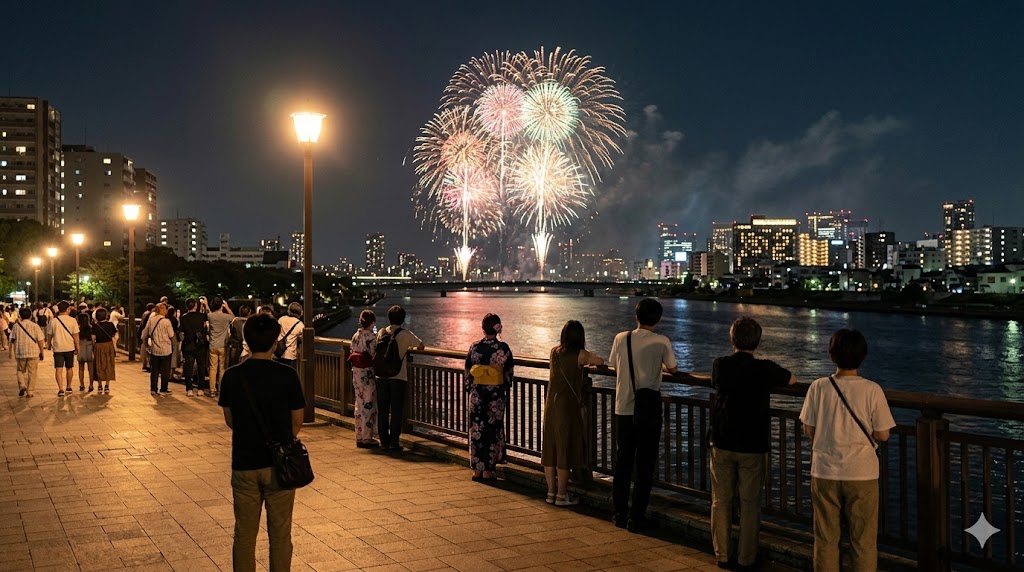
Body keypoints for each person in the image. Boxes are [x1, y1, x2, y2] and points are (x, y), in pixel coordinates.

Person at [800, 329, 895, 572]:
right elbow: (883, 434)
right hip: (861, 474)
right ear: (862, 356)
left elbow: (808, 428)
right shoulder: (872, 390)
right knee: (862, 541)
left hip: (824, 472)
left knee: (825, 539)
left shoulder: (818, 387)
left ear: (832, 355)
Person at [218, 313, 305, 572]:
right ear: (274, 341)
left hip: (244, 462)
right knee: (280, 535)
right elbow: (297, 421)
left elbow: (230, 420)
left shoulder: (232, 376)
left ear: (246, 339)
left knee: (244, 534)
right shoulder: (287, 375)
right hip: (279, 466)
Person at [709, 317, 796, 569]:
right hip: (752, 443)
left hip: (722, 439)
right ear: (757, 341)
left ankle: (722, 555)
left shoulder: (720, 365)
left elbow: (715, 384)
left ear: (732, 339)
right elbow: (791, 379)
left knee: (720, 501)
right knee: (749, 504)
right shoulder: (764, 368)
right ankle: (747, 558)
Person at [608, 298, 677, 532]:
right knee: (645, 465)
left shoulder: (620, 338)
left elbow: (614, 366)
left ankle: (619, 513)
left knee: (623, 462)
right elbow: (673, 368)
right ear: (658, 319)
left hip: (623, 408)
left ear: (636, 316)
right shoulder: (661, 341)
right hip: (648, 411)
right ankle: (636, 518)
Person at [543, 320, 604, 505]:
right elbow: (600, 361)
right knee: (564, 448)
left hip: (551, 406)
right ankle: (562, 495)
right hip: (567, 407)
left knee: (550, 448)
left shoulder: (554, 352)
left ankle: (550, 493)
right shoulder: (580, 355)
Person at [465, 314, 514, 481]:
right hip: (495, 397)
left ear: (482, 328)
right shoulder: (503, 348)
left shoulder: (475, 347)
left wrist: (470, 389)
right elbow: (508, 373)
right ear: (498, 327)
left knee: (477, 430)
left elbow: (468, 370)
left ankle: (476, 470)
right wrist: (504, 386)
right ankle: (488, 471)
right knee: (492, 430)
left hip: (477, 396)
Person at [375, 305, 424, 452]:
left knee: (383, 410)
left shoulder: (381, 332)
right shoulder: (405, 334)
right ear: (402, 319)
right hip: (398, 376)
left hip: (381, 375)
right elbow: (421, 346)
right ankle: (394, 443)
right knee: (396, 410)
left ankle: (384, 441)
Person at [349, 309, 379, 448]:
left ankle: (359, 436)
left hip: (356, 373)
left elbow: (351, 350)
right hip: (367, 374)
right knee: (369, 404)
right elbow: (374, 354)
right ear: (372, 322)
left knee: (359, 404)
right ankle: (368, 438)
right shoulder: (372, 337)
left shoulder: (356, 335)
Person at [47, 301, 81, 397]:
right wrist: (77, 347)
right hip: (69, 347)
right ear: (67, 309)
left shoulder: (54, 321)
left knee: (58, 369)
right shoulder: (72, 320)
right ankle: (69, 386)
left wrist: (48, 344)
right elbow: (76, 335)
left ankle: (60, 389)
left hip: (58, 348)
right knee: (69, 368)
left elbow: (50, 335)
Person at [141, 303, 176, 396]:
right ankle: (163, 389)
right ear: (162, 310)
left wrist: (146, 344)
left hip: (155, 349)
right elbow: (171, 335)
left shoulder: (151, 320)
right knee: (165, 370)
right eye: (165, 309)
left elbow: (144, 334)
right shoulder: (167, 322)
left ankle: (153, 389)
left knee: (154, 370)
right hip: (166, 349)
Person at [10, 307, 45, 398]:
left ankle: (22, 385)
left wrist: (10, 352)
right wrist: (42, 351)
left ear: (20, 316)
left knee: (20, 370)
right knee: (32, 372)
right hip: (33, 352)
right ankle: (30, 391)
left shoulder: (16, 326)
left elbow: (12, 339)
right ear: (30, 316)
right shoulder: (35, 326)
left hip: (20, 352)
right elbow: (40, 340)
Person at [179, 299, 210, 397]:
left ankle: (189, 389)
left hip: (188, 344)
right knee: (201, 366)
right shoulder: (201, 316)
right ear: (195, 306)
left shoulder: (184, 317)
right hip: (200, 345)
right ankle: (200, 388)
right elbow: (207, 324)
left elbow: (180, 331)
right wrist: (205, 305)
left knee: (189, 367)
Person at [207, 296, 235, 396]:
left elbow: (209, 313)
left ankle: (212, 390)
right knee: (222, 368)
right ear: (221, 306)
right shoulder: (226, 317)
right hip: (223, 345)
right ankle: (220, 389)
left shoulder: (210, 316)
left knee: (213, 368)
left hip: (212, 345)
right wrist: (227, 307)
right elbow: (234, 318)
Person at [92, 307, 117, 394]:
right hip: (109, 345)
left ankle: (99, 385)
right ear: (106, 316)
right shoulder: (110, 324)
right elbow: (115, 334)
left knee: (99, 364)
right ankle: (107, 386)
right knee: (108, 364)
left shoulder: (95, 325)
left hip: (99, 346)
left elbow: (93, 338)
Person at [275, 302, 304, 369]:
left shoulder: (281, 319)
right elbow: (303, 335)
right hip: (290, 355)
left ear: (289, 311)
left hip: (278, 352)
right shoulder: (300, 324)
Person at [76, 308, 97, 392]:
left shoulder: (78, 329)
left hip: (81, 348)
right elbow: (93, 339)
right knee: (90, 368)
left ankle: (81, 384)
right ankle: (91, 385)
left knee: (81, 368)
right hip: (89, 349)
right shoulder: (92, 328)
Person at [138, 302, 156, 371]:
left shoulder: (144, 313)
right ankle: (147, 364)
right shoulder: (149, 314)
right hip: (146, 333)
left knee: (144, 347)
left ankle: (144, 363)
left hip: (143, 332)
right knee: (147, 349)